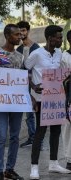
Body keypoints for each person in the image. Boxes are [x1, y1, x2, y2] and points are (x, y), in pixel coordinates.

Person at [26, 25, 71, 179]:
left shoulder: (59, 54)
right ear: (50, 38)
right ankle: (34, 167)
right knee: (40, 132)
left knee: (56, 131)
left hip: (57, 98)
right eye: (58, 37)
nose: (60, 40)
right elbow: (24, 70)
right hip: (41, 99)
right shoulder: (36, 54)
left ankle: (53, 163)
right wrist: (32, 87)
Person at [0, 24, 24, 180]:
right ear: (7, 36)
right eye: (16, 34)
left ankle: (9, 169)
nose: (20, 37)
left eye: (20, 34)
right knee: (0, 136)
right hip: (0, 102)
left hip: (17, 103)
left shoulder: (20, 56)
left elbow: (23, 78)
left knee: (15, 136)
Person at [16, 21, 40, 148]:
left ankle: (38, 141)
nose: (21, 33)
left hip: (35, 84)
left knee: (37, 112)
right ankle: (31, 137)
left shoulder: (36, 48)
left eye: (24, 30)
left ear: (28, 31)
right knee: (28, 113)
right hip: (23, 84)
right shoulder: (18, 49)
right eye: (19, 31)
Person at [61, 30, 71, 170]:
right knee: (68, 129)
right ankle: (69, 159)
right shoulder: (65, 57)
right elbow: (62, 79)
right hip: (68, 97)